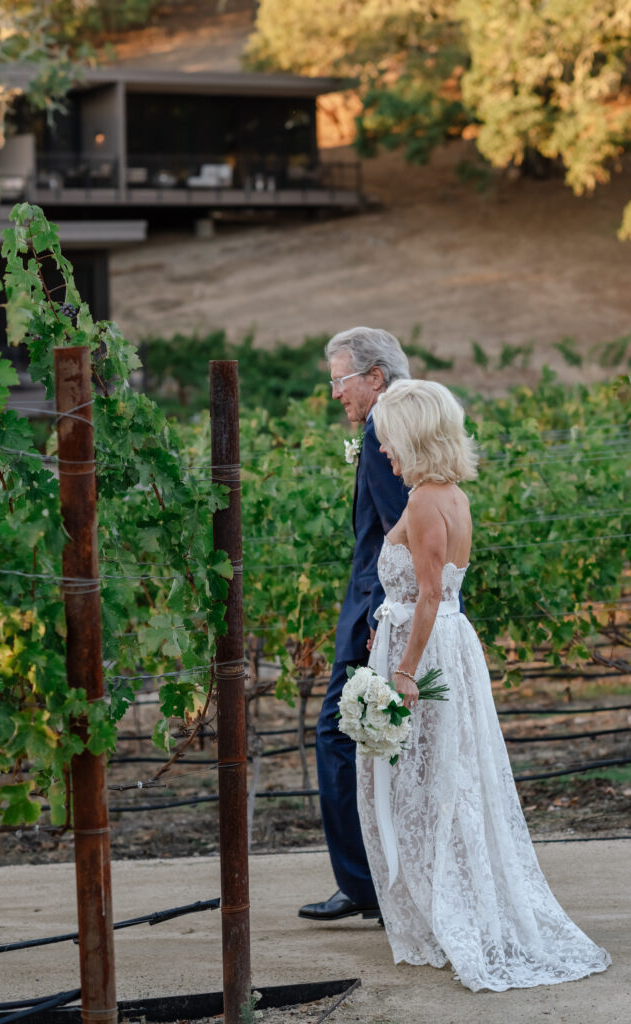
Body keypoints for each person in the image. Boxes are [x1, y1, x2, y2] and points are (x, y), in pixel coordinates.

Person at [358, 379, 611, 990]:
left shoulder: (422, 504)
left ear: (413, 437)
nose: (384, 452)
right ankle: (450, 909)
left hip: (428, 652)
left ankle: (449, 914)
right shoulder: (452, 495)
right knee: (447, 779)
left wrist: (401, 670)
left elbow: (428, 595)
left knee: (424, 787)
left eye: (390, 440)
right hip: (445, 642)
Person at [298, 327, 410, 922]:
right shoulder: (406, 421)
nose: (336, 394)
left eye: (341, 381)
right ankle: (389, 876)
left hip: (376, 608)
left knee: (336, 734)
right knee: (386, 739)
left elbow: (401, 532)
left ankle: (363, 885)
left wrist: (378, 621)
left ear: (374, 377)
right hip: (384, 606)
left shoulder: (383, 433)